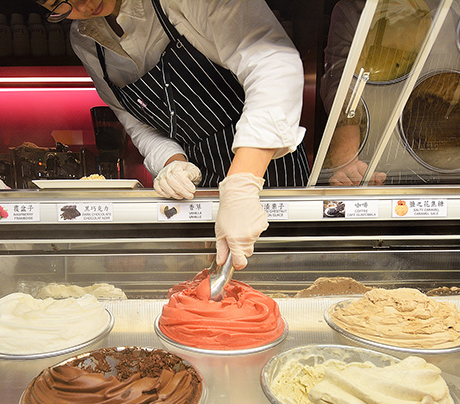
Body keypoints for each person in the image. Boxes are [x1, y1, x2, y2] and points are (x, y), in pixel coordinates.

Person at [36, 0, 310, 269]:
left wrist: (241, 185)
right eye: (59, 4)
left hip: (267, 169)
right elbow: (133, 121)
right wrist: (173, 162)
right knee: (209, 287)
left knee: (284, 277)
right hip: (196, 186)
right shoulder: (85, 40)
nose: (83, 5)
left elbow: (273, 63)